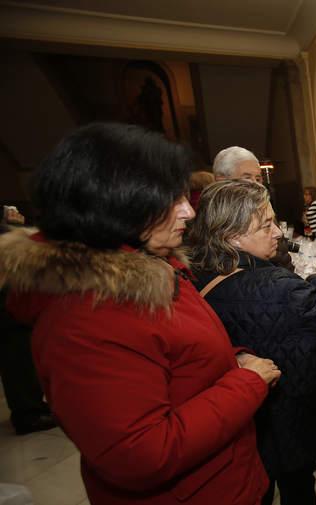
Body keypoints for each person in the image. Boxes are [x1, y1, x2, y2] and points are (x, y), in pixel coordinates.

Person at [0, 123, 280, 505]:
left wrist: (231, 360)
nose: (188, 210)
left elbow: (170, 359)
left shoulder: (154, 267)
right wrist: (246, 383)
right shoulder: (88, 315)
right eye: (171, 198)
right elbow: (141, 454)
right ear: (117, 204)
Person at [187, 179, 316, 505]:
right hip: (288, 413)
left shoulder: (197, 274)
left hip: (242, 418)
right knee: (297, 485)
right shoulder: (274, 285)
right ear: (231, 234)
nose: (278, 232)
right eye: (266, 225)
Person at [0, 210, 57, 436]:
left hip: (11, 301)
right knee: (17, 356)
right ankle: (28, 413)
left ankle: (30, 406)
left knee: (20, 355)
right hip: (8, 304)